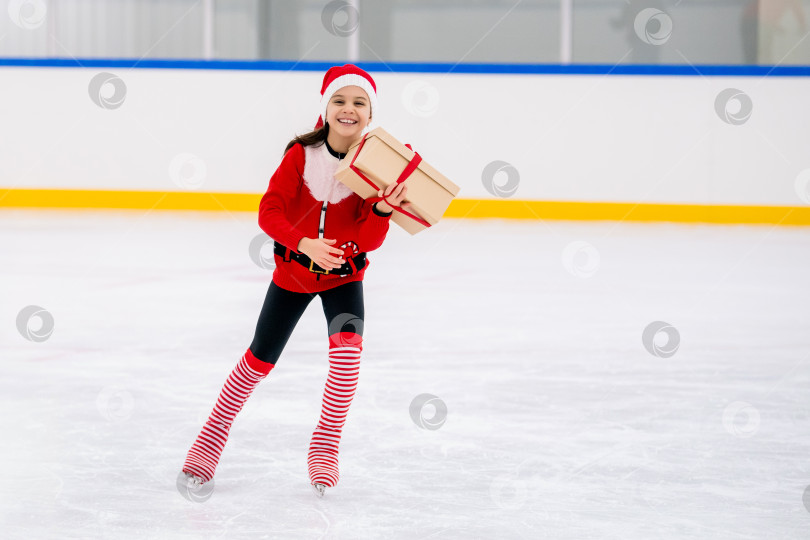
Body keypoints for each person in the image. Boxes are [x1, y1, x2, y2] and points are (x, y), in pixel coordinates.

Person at [180, 64, 408, 498]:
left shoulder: (374, 168)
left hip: (344, 278)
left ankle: (325, 444)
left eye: (359, 103)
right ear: (326, 108)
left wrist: (380, 212)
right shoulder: (300, 156)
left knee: (346, 362)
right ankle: (210, 438)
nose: (349, 109)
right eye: (340, 100)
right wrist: (304, 243)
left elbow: (367, 240)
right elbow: (269, 212)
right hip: (293, 275)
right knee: (258, 362)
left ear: (370, 114)